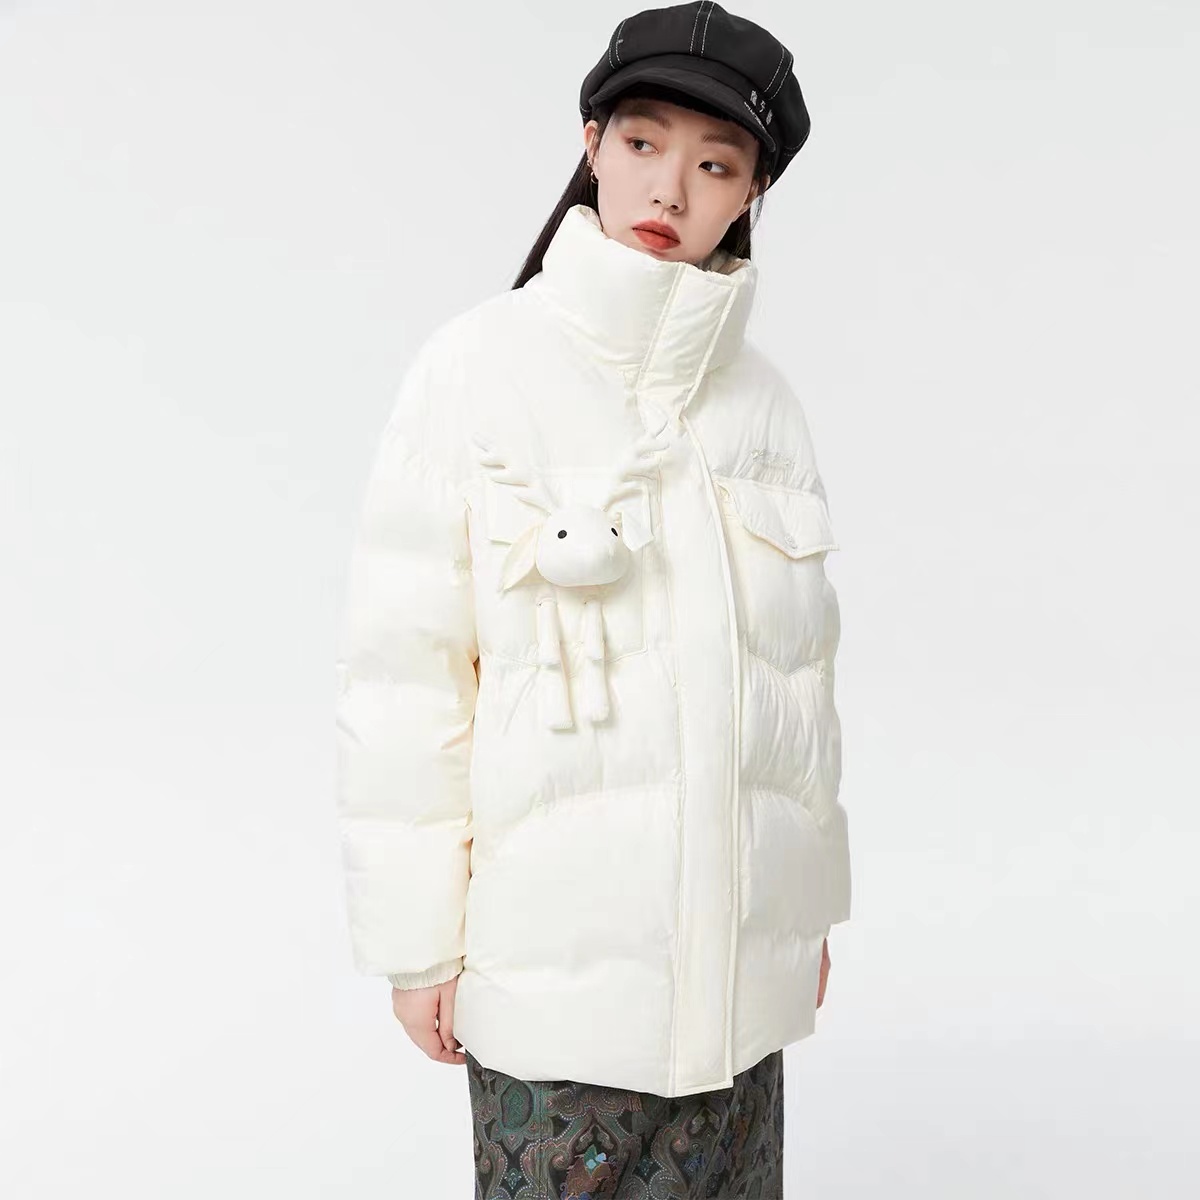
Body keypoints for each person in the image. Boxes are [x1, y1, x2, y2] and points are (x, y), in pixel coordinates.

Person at [334, 3, 852, 1195]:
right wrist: (416, 946)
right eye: (642, 142)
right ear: (591, 145)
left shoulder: (765, 407)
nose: (670, 186)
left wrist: (803, 919)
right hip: (550, 996)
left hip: (738, 997)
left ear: (753, 194)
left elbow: (801, 695)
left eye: (716, 164)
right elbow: (408, 678)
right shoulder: (477, 369)